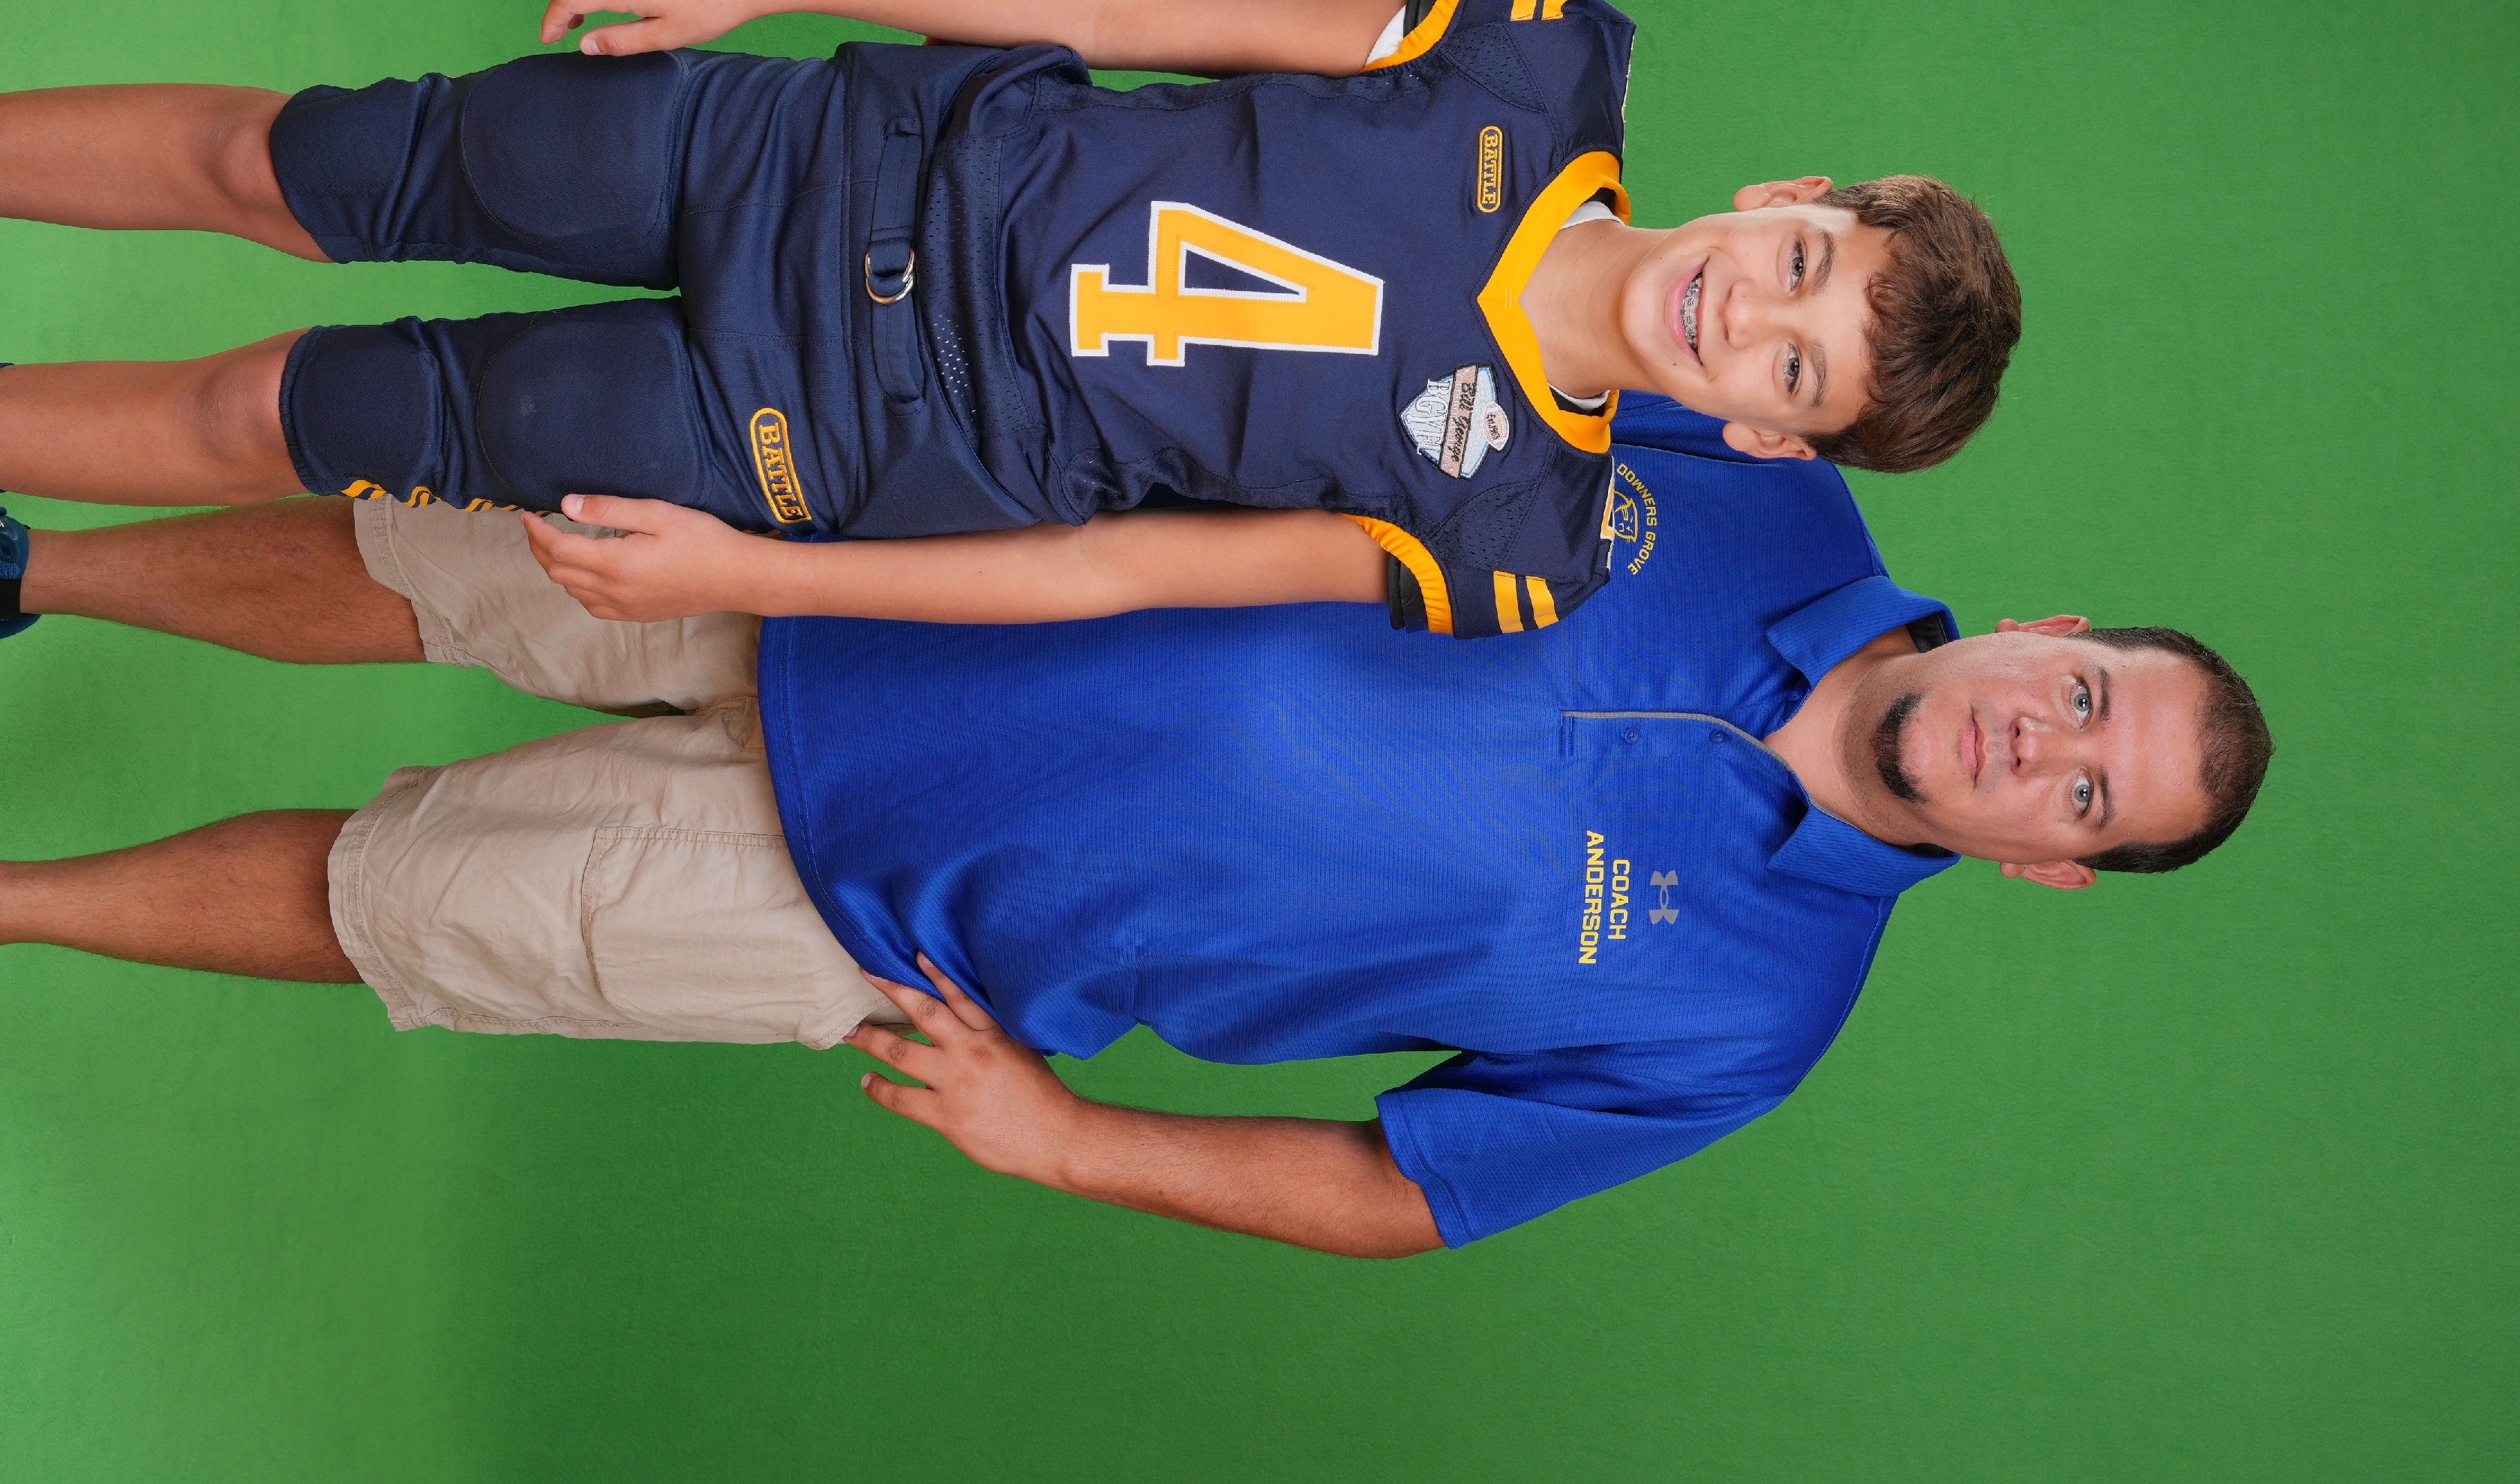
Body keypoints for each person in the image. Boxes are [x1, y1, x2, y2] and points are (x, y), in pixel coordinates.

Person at [0, 400, 2269, 1255]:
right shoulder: (1764, 475)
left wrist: (1073, 1142)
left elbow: (1411, 1190)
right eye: (2085, 698)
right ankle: (38, 566)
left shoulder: (1749, 1023)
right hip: (898, 542)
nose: (2036, 744)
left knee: (391, 905)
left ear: (2048, 865)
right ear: (2054, 629)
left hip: (882, 917)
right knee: (428, 561)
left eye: (2085, 793)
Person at [0, 0, 2019, 643]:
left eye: (1794, 369)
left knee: (280, 414)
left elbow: (1114, 573)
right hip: (823, 155)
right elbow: (1121, 4)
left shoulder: (1515, 541)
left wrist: (752, 578)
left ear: (1770, 438)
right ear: (1787, 197)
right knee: (293, 163)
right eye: (1800, 267)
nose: (1746, 313)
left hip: (825, 434)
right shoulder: (1527, 59)